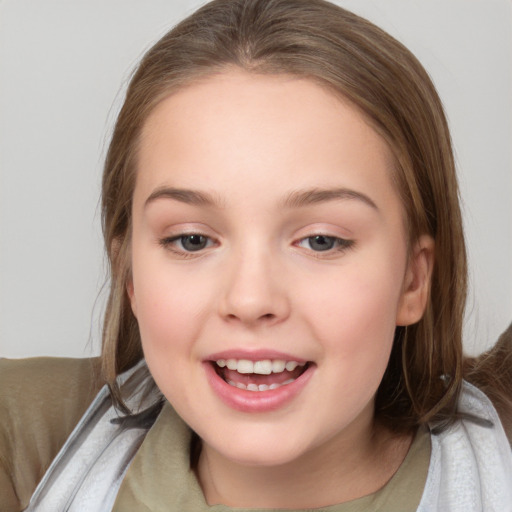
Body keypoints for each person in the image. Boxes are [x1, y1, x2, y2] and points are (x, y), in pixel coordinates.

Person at [1, 0, 511, 510]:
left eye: (321, 240)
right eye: (192, 240)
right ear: (130, 272)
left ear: (413, 280)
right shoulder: (32, 437)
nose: (250, 299)